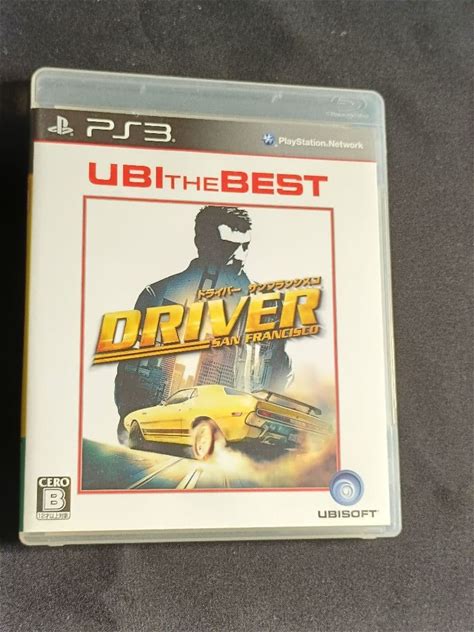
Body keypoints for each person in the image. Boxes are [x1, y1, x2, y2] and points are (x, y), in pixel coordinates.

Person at [114, 205, 292, 443]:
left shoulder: (269, 306)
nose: (240, 257)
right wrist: (132, 423)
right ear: (202, 243)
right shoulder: (158, 293)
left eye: (245, 246)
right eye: (229, 247)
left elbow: (281, 370)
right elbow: (129, 368)